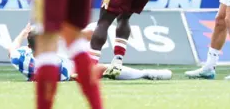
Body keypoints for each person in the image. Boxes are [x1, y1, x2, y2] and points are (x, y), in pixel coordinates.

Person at [9, 23, 172, 82]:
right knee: (102, 68)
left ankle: (145, 74)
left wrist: (21, 35)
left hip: (66, 65)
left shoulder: (21, 58)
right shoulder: (51, 62)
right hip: (70, 69)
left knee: (88, 33)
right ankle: (145, 74)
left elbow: (11, 50)